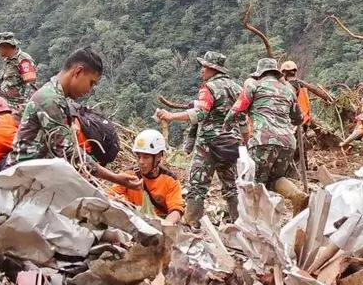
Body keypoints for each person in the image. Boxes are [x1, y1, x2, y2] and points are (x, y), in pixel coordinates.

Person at [9, 47, 141, 190]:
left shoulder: (55, 96)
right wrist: (115, 178)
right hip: (23, 180)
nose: (89, 90)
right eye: (91, 83)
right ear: (78, 71)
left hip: (34, 177)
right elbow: (70, 153)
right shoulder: (50, 100)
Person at [156, 51, 243, 224]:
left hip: (209, 145)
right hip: (231, 143)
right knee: (231, 186)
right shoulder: (237, 88)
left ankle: (192, 221)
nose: (202, 70)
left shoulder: (208, 88)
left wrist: (171, 116)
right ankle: (240, 223)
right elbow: (243, 118)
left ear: (213, 69)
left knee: (197, 184)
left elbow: (201, 112)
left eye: (204, 66)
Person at [223, 58, 306, 210]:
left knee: (253, 181)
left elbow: (235, 111)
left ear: (260, 74)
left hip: (263, 140)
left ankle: (256, 219)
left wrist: (226, 127)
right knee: (275, 178)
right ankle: (296, 195)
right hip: (287, 142)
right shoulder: (289, 90)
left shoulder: (254, 87)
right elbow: (299, 119)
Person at [110, 129, 185, 226]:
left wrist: (167, 223)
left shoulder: (170, 180)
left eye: (146, 157)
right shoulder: (128, 174)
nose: (141, 161)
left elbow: (176, 209)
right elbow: (111, 195)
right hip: (131, 220)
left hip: (157, 223)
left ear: (158, 156)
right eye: (138, 156)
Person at [280, 60, 333, 126]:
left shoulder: (288, 87)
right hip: (304, 117)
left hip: (295, 120)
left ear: (284, 73)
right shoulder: (301, 84)